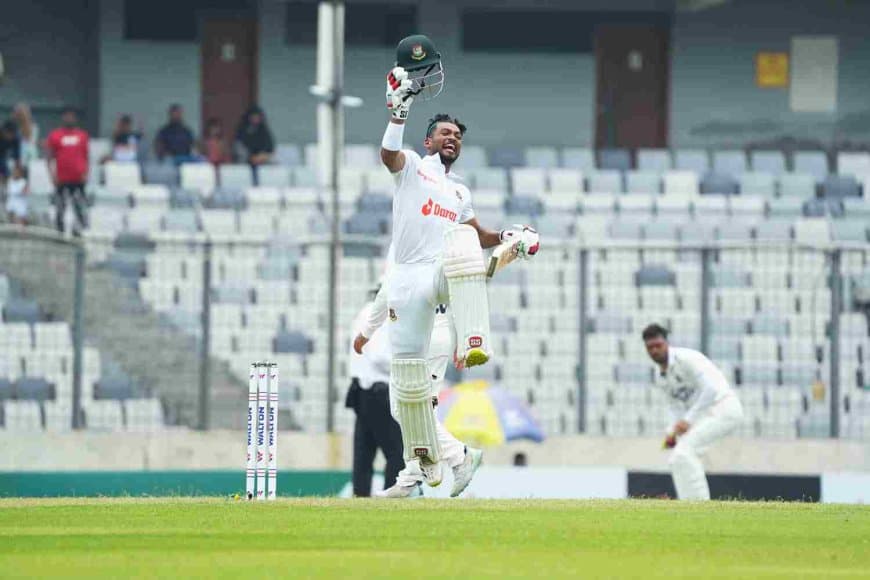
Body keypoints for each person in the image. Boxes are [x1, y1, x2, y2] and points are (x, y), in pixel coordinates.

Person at [372, 46, 540, 495]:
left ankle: (474, 338)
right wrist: (397, 113)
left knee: (465, 247)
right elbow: (388, 156)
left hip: (437, 279)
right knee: (405, 397)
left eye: (458, 136)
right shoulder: (413, 169)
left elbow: (480, 236)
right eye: (445, 133)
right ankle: (425, 467)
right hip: (407, 282)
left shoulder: (458, 192)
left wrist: (510, 235)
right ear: (429, 141)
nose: (452, 139)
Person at [642, 323, 744, 501]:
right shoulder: (660, 376)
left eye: (658, 345)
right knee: (677, 458)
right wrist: (671, 432)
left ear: (667, 343)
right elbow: (674, 406)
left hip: (724, 407)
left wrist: (688, 420)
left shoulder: (686, 358)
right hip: (705, 415)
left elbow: (711, 390)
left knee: (684, 454)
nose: (655, 351)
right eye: (650, 347)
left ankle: (699, 508)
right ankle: (690, 506)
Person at [346, 281, 405, 497]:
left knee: (364, 451)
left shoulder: (363, 313)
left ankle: (360, 496)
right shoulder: (377, 315)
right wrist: (408, 367)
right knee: (397, 452)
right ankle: (392, 496)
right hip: (380, 390)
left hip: (363, 389)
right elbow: (380, 357)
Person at [45, 107, 89, 235]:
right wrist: (52, 175)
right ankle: (60, 232)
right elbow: (48, 158)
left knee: (79, 206)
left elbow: (86, 157)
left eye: (72, 116)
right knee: (60, 207)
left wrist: (85, 173)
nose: (69, 119)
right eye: (67, 116)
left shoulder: (82, 136)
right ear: (63, 118)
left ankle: (79, 231)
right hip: (62, 179)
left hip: (78, 178)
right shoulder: (55, 136)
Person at [12, 102, 39, 167]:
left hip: (29, 157)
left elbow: (28, 138)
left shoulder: (33, 126)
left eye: (21, 113)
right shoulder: (12, 126)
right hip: (15, 158)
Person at [0, 120, 21, 187]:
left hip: (3, 154)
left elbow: (17, 155)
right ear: (4, 131)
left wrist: (17, 168)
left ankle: (4, 189)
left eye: (13, 134)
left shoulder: (15, 138)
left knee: (6, 172)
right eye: (9, 134)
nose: (11, 137)